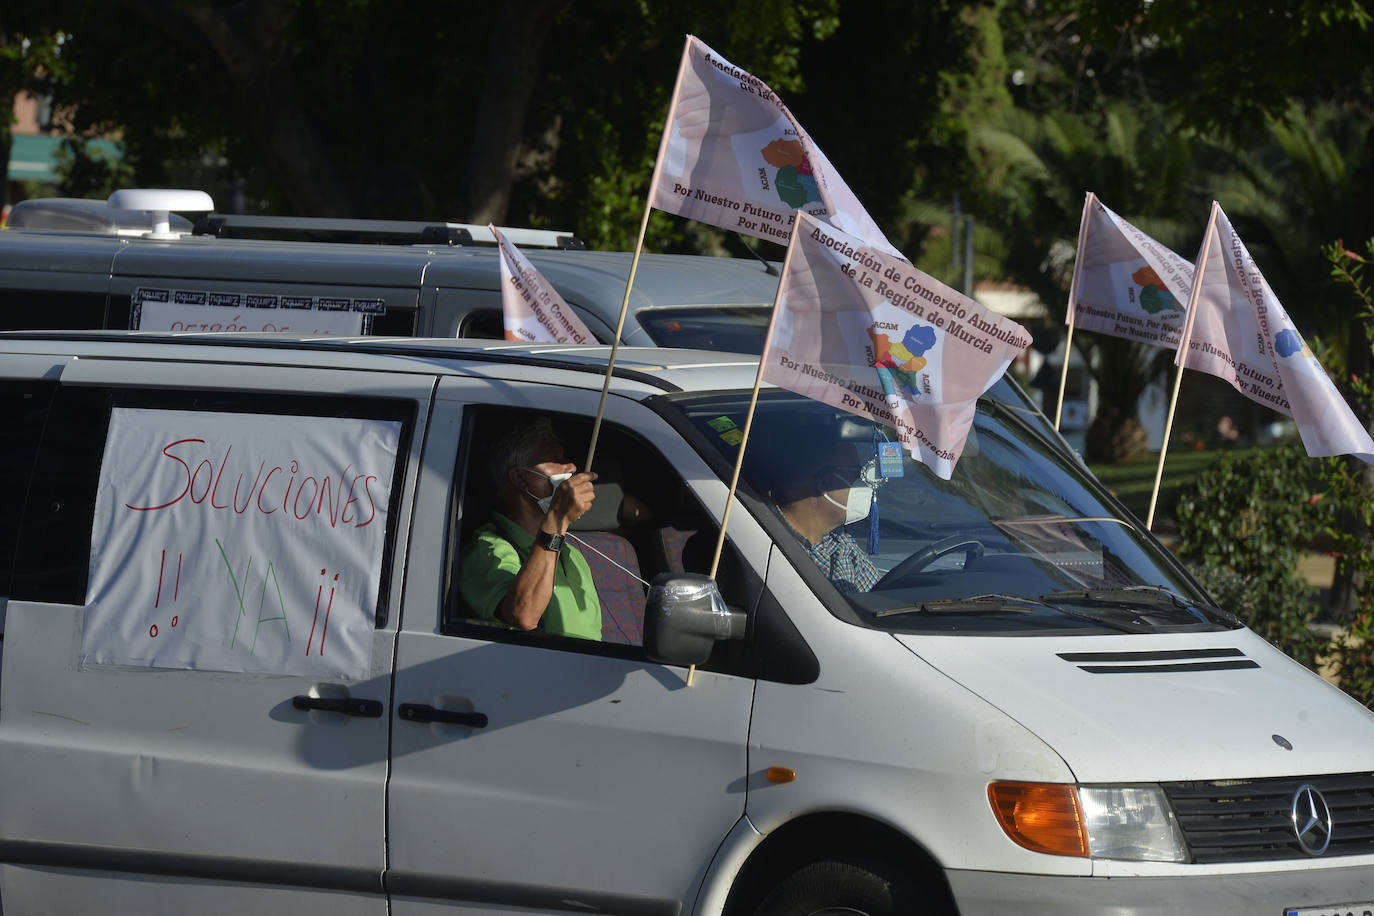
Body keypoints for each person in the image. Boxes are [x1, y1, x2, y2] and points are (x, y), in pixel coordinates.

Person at [458, 417, 602, 639]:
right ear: (520, 479)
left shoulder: (571, 553)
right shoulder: (487, 548)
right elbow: (523, 615)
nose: (572, 466)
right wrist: (558, 519)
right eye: (555, 459)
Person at [746, 418, 879, 594]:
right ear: (823, 482)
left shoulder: (842, 547)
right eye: (855, 472)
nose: (864, 482)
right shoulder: (762, 549)